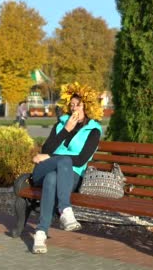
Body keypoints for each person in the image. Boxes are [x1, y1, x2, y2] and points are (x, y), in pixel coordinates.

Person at [31, 82, 103, 254]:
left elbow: (80, 160)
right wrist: (65, 130)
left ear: (88, 107)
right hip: (43, 170)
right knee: (58, 166)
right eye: (71, 105)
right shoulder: (62, 123)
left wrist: (50, 157)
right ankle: (65, 210)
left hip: (71, 176)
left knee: (53, 178)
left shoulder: (94, 130)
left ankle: (41, 233)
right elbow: (45, 149)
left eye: (78, 105)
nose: (74, 109)